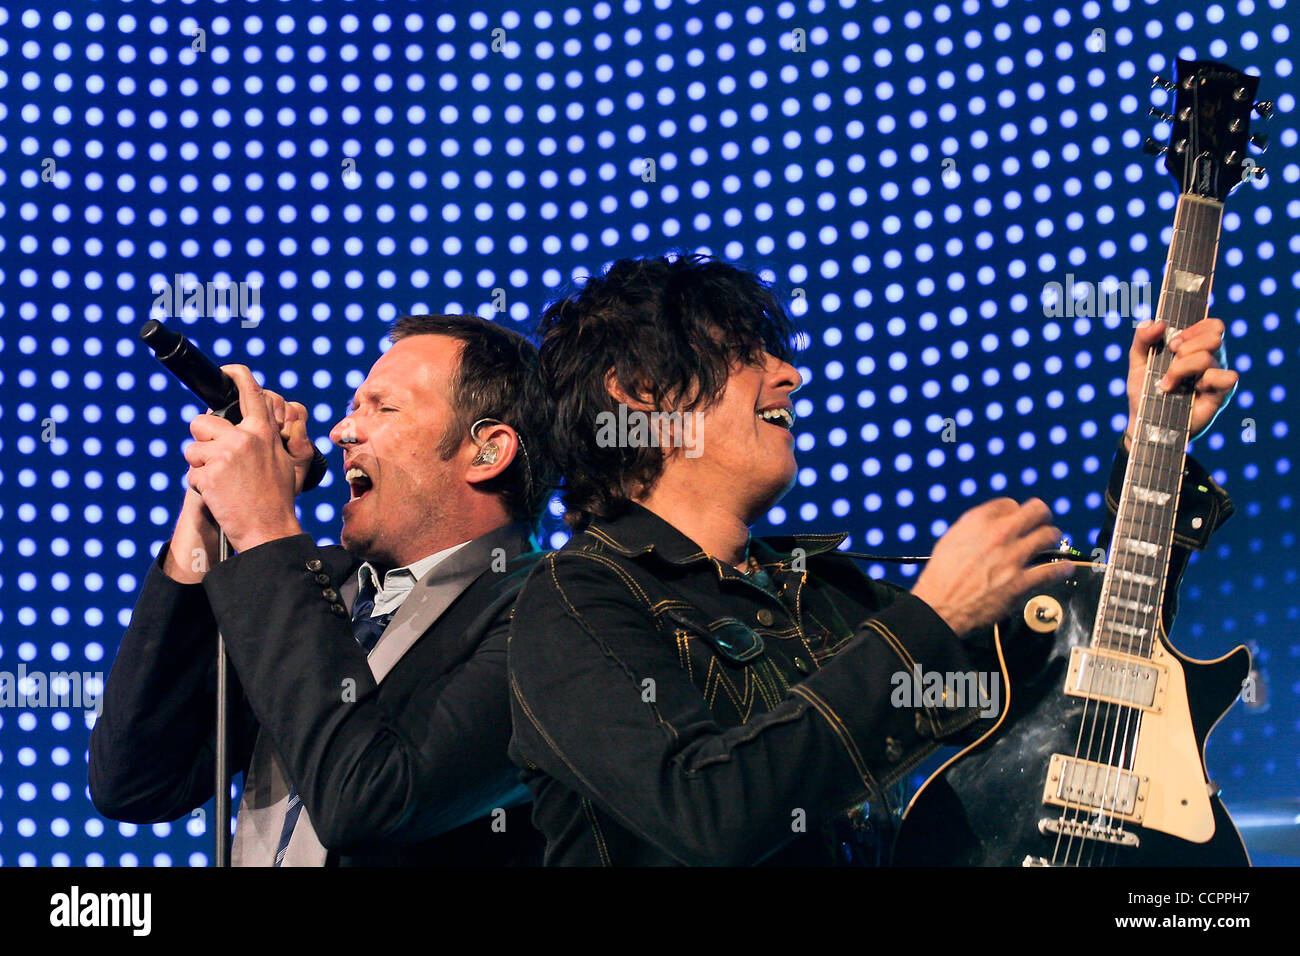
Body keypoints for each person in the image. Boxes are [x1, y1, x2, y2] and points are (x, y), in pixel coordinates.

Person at [506, 253, 1238, 865]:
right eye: (745, 354)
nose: (791, 374)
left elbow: (1094, 679)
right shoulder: (572, 601)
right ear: (640, 396)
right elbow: (710, 814)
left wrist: (1154, 451)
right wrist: (930, 620)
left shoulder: (830, 593)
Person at [91, 314, 556, 866]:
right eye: (354, 406)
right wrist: (208, 515)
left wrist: (265, 529)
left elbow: (370, 802)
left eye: (383, 408)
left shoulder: (550, 614)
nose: (341, 432)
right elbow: (137, 780)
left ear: (487, 450)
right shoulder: (319, 588)